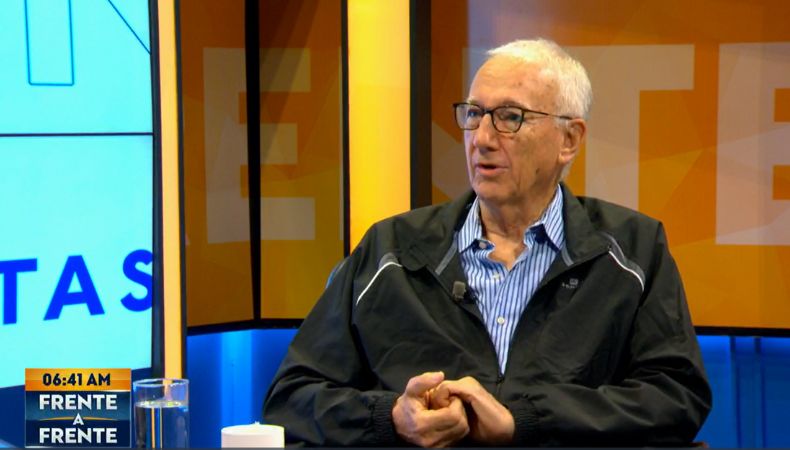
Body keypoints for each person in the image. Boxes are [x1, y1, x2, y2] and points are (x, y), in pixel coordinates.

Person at [262, 38, 711, 447]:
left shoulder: (632, 252)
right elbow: (292, 397)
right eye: (474, 114)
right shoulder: (391, 251)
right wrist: (391, 417)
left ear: (569, 139)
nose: (481, 139)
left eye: (510, 117)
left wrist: (525, 420)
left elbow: (675, 398)